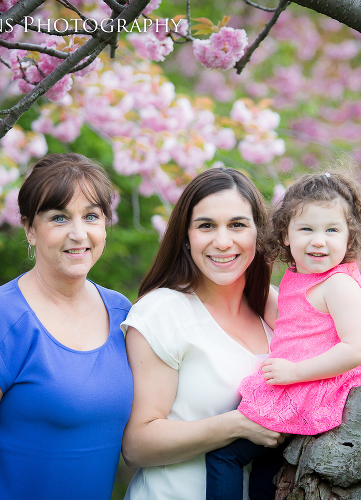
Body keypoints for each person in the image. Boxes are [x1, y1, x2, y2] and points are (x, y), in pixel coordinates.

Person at [0, 153, 133, 500]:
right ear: (30, 229)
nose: (78, 233)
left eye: (91, 216)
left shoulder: (123, 313)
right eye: (59, 218)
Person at [205, 167, 361, 500]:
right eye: (306, 229)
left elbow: (355, 349)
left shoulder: (339, 284)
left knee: (224, 454)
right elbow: (292, 320)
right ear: (286, 235)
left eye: (332, 230)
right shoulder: (300, 276)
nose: (318, 240)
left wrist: (296, 371)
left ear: (349, 237)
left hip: (310, 386)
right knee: (265, 471)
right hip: (292, 384)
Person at [121, 167, 285, 500]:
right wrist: (236, 425)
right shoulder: (162, 312)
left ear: (259, 233)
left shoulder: (274, 307)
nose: (223, 242)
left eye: (237, 225)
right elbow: (137, 445)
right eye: (206, 225)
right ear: (186, 237)